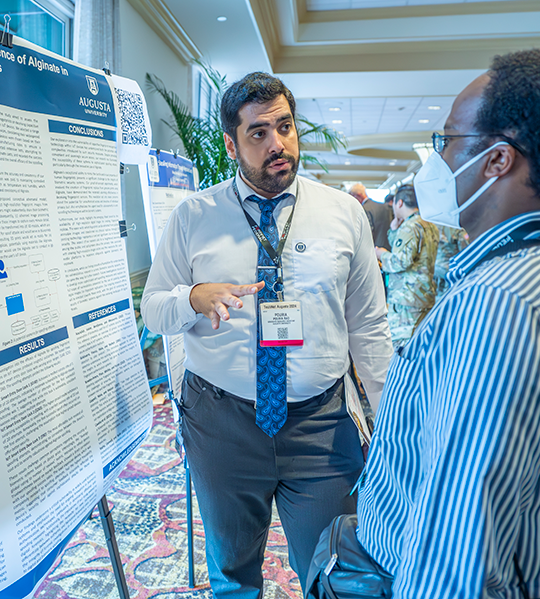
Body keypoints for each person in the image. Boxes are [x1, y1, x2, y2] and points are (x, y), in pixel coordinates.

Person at [354, 48, 540, 599]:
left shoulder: (502, 305)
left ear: (498, 161)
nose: (437, 161)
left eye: (447, 141)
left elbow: (459, 560)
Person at [141, 72, 392, 598]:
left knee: (333, 571)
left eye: (285, 127)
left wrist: (389, 415)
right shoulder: (194, 217)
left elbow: (368, 325)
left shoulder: (344, 214)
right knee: (232, 573)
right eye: (258, 133)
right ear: (231, 144)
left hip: (321, 426)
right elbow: (152, 310)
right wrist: (192, 299)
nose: (277, 144)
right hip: (222, 423)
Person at [375, 184, 438, 347]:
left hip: (407, 300)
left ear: (400, 203)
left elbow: (400, 261)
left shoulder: (410, 226)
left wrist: (381, 254)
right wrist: (395, 231)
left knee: (403, 349)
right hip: (423, 294)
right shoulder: (428, 224)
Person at [349, 182, 393, 248]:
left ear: (358, 195)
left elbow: (367, 234)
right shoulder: (385, 207)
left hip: (374, 250)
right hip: (389, 248)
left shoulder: (363, 209)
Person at [433, 224, 468, 299]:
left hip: (432, 271)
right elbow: (466, 251)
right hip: (450, 273)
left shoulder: (429, 225)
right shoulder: (456, 228)